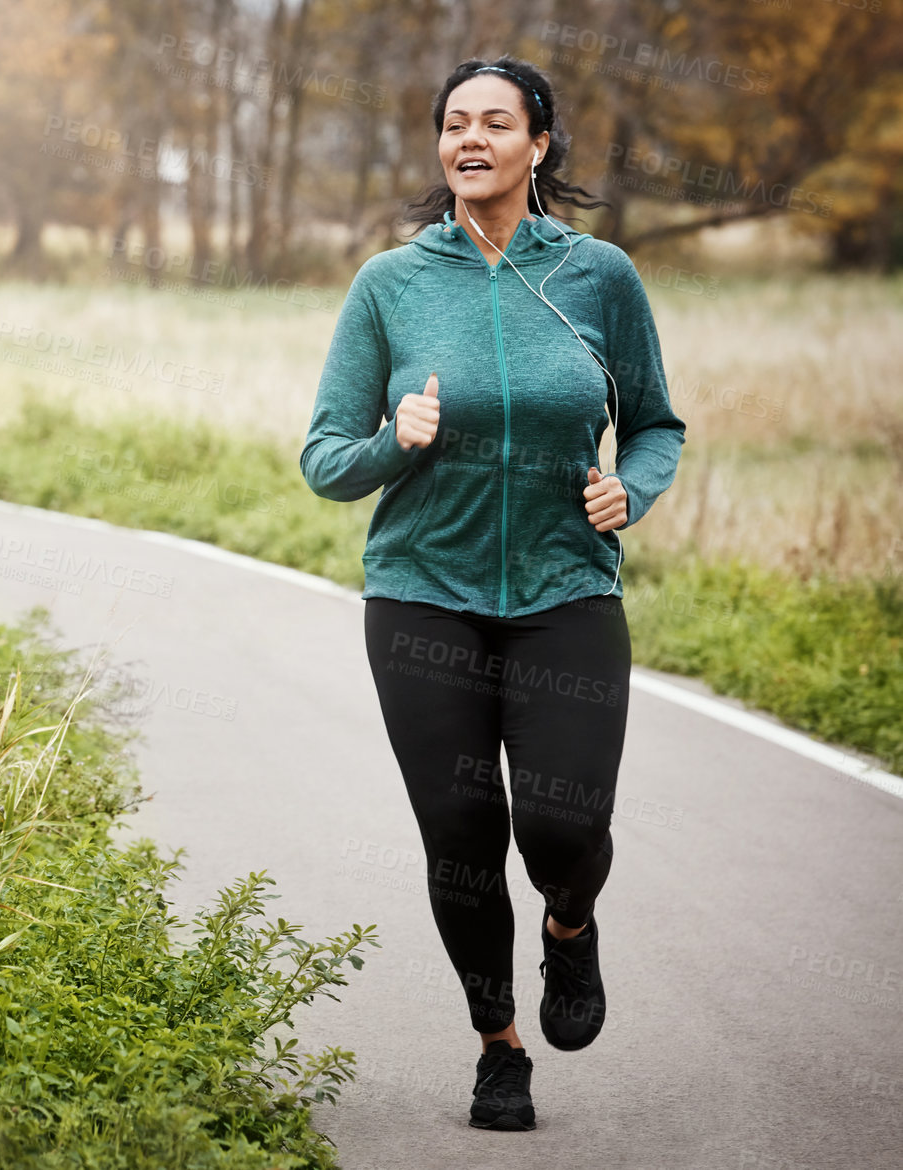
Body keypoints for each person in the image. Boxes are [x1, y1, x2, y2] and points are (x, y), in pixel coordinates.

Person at [299, 55, 687, 1131]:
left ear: (538, 144)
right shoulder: (390, 285)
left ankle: (570, 926)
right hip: (423, 596)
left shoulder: (598, 275)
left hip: (567, 590)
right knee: (462, 834)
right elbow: (324, 458)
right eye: (453, 123)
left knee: (563, 825)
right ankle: (497, 1047)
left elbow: (656, 421)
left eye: (494, 123)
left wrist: (632, 488)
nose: (470, 139)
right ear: (440, 146)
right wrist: (393, 442)